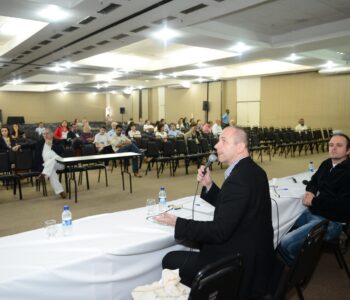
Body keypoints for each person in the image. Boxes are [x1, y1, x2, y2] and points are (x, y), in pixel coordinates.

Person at [155, 126, 274, 300]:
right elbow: (234, 206)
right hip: (253, 253)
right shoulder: (254, 171)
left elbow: (219, 231)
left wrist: (177, 222)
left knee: (171, 259)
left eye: (223, 141)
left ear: (240, 147)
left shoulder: (238, 180)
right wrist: (209, 186)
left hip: (238, 260)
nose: (216, 146)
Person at [277, 133, 350, 266]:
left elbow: (343, 206)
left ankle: (299, 271)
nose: (333, 148)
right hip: (314, 212)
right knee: (280, 226)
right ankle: (297, 261)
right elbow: (313, 181)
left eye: (339, 145)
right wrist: (311, 191)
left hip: (333, 221)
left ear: (348, 150)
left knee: (285, 243)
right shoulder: (326, 164)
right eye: (331, 145)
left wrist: (314, 201)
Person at [33, 128, 66, 199]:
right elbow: (29, 145)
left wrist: (52, 145)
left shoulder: (57, 141)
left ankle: (44, 174)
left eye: (47, 133)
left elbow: (62, 150)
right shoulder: (40, 143)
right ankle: (60, 191)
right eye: (44, 134)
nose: (45, 135)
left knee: (53, 157)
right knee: (51, 171)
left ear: (52, 134)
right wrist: (20, 146)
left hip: (59, 163)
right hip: (49, 166)